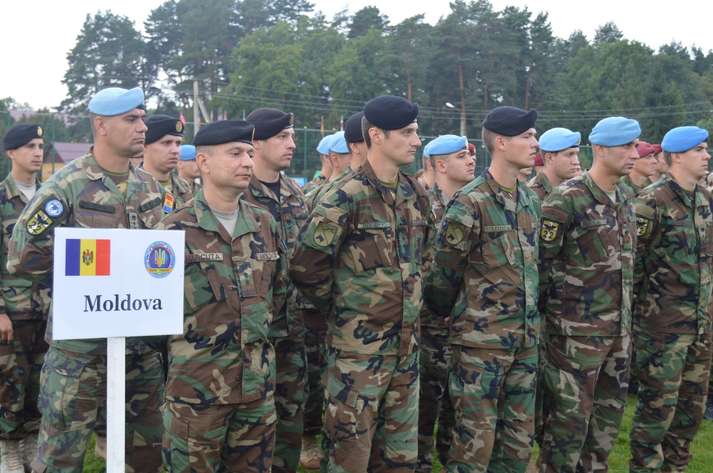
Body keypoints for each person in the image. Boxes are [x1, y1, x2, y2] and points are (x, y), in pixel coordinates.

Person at [7, 87, 166, 473]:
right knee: (62, 455)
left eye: (143, 118)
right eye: (131, 119)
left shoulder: (150, 187)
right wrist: (84, 266)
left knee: (146, 453)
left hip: (139, 345)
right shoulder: (65, 186)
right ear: (101, 126)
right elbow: (21, 258)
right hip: (79, 350)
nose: (142, 127)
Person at [290, 95, 430, 472]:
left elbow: (425, 257)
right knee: (349, 454)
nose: (416, 141)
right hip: (358, 354)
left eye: (416, 132)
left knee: (400, 458)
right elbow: (306, 266)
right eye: (407, 133)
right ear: (377, 136)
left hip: (406, 350)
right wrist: (345, 307)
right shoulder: (345, 196)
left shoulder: (414, 193)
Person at [159, 120, 287, 472]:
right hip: (196, 393)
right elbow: (153, 316)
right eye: (235, 153)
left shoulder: (264, 223)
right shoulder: (174, 229)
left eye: (249, 153)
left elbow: (279, 297)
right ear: (203, 162)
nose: (247, 162)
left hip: (256, 391)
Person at [425, 106, 540, 473]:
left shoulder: (530, 200)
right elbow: (442, 278)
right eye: (527, 136)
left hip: (524, 342)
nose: (535, 142)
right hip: (480, 345)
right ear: (501, 142)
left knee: (517, 445)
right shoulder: (470, 202)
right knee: (474, 445)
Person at [537, 116, 641, 473]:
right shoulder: (567, 199)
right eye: (626, 146)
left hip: (618, 334)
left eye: (636, 145)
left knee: (604, 432)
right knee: (566, 431)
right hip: (575, 338)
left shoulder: (625, 196)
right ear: (599, 149)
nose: (635, 153)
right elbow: (541, 265)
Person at [629, 126, 713, 473]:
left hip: (700, 327)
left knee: (689, 416)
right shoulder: (651, 202)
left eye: (706, 149)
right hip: (661, 330)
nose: (707, 156)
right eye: (699, 150)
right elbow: (632, 268)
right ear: (677, 155)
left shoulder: (704, 199)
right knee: (655, 416)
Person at [299, 110, 366, 470]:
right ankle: (313, 436)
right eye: (340, 154)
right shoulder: (324, 195)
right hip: (316, 308)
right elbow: (310, 261)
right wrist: (335, 300)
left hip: (348, 315)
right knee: (317, 376)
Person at [241, 108, 306, 473]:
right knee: (249, 427)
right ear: (257, 142)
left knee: (291, 417)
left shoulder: (296, 193)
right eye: (282, 137)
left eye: (292, 136)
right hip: (250, 331)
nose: (291, 144)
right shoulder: (239, 192)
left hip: (292, 327)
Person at [416, 134, 475, 473]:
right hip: (428, 324)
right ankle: (421, 462)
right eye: (461, 156)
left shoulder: (471, 202)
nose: (471, 161)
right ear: (440, 164)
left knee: (459, 404)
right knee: (426, 402)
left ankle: (450, 458)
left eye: (470, 155)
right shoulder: (421, 204)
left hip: (465, 322)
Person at [0, 124, 50, 473]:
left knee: (39, 381)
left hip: (47, 309)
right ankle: (8, 450)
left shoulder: (51, 198)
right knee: (8, 382)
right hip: (12, 311)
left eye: (41, 145)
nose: (37, 152)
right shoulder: (2, 198)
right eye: (29, 146)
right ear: (11, 153)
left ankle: (32, 443)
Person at [142, 114, 193, 213]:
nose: (175, 150)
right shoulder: (132, 187)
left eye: (178, 143)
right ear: (144, 146)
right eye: (167, 143)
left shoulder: (184, 187)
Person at [528, 127, 581, 201]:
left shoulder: (579, 189)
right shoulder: (531, 196)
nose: (576, 161)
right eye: (570, 154)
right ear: (549, 157)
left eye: (576, 154)